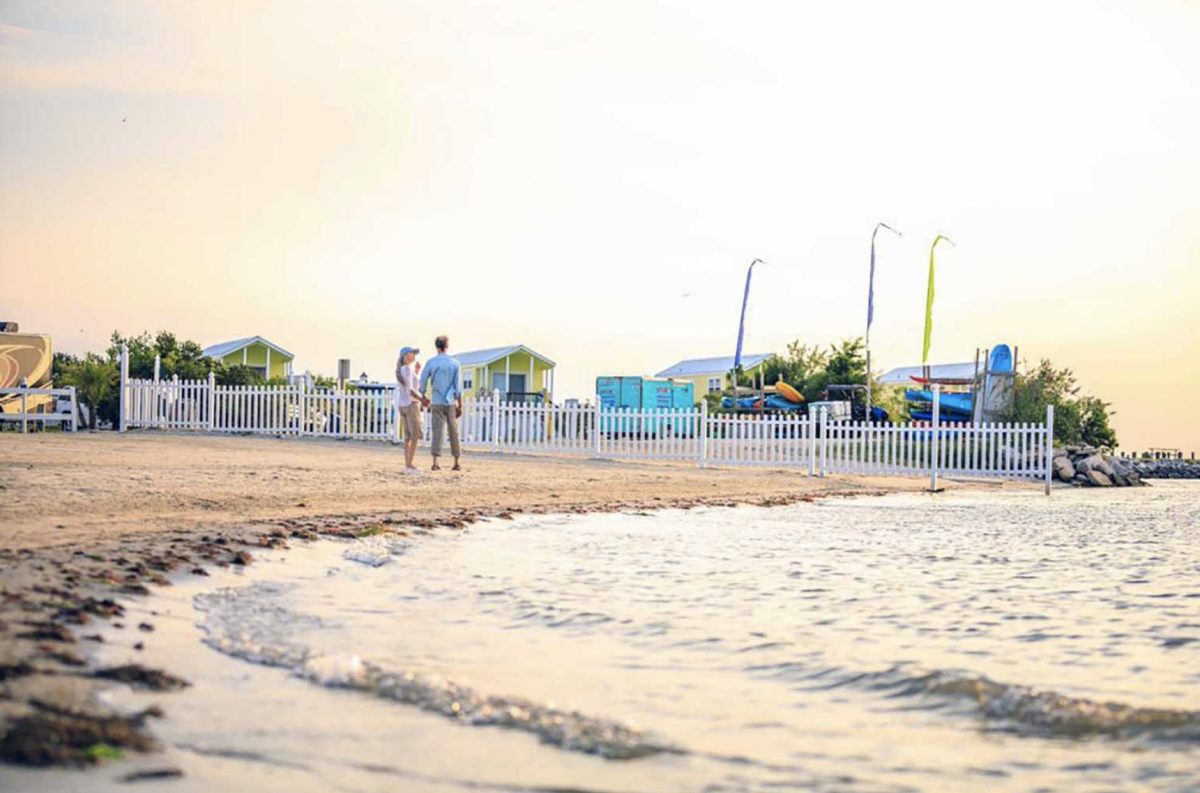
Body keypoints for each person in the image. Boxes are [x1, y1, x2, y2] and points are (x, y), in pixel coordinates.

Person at [419, 335, 463, 471]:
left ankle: (435, 462)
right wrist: (460, 404)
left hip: (437, 400)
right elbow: (458, 386)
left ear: (436, 346)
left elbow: (423, 380)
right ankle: (456, 461)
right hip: (450, 401)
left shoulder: (431, 362)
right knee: (453, 431)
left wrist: (423, 397)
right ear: (447, 346)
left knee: (437, 430)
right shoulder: (454, 363)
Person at [395, 346, 429, 472]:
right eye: (412, 353)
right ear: (406, 355)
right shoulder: (407, 369)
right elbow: (411, 390)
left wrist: (417, 371)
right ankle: (409, 466)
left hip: (402, 405)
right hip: (411, 405)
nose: (414, 355)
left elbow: (407, 385)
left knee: (408, 437)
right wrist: (422, 399)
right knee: (415, 435)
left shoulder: (402, 369)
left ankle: (407, 464)